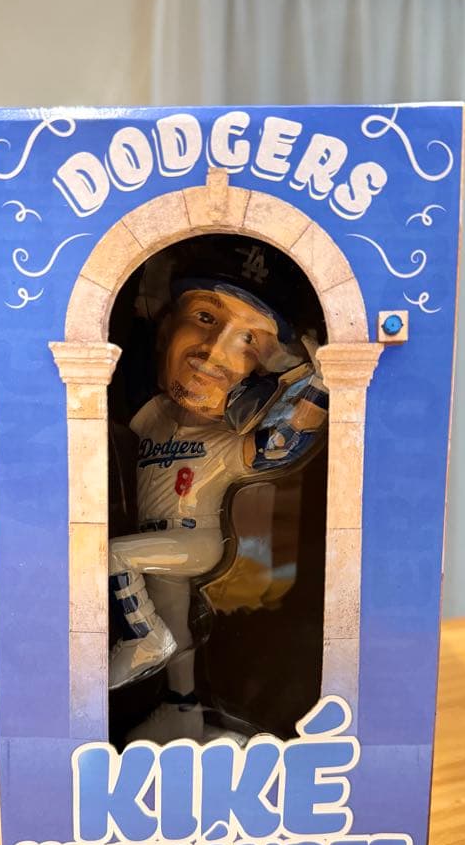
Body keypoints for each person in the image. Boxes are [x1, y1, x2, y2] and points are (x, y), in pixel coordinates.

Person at [108, 272, 329, 743]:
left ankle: (143, 639)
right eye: (206, 318)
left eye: (249, 340)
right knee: (179, 633)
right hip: (159, 547)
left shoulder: (226, 441)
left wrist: (311, 380)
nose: (214, 353)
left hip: (195, 539)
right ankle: (184, 712)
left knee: (113, 556)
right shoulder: (150, 419)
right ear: (166, 329)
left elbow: (281, 444)